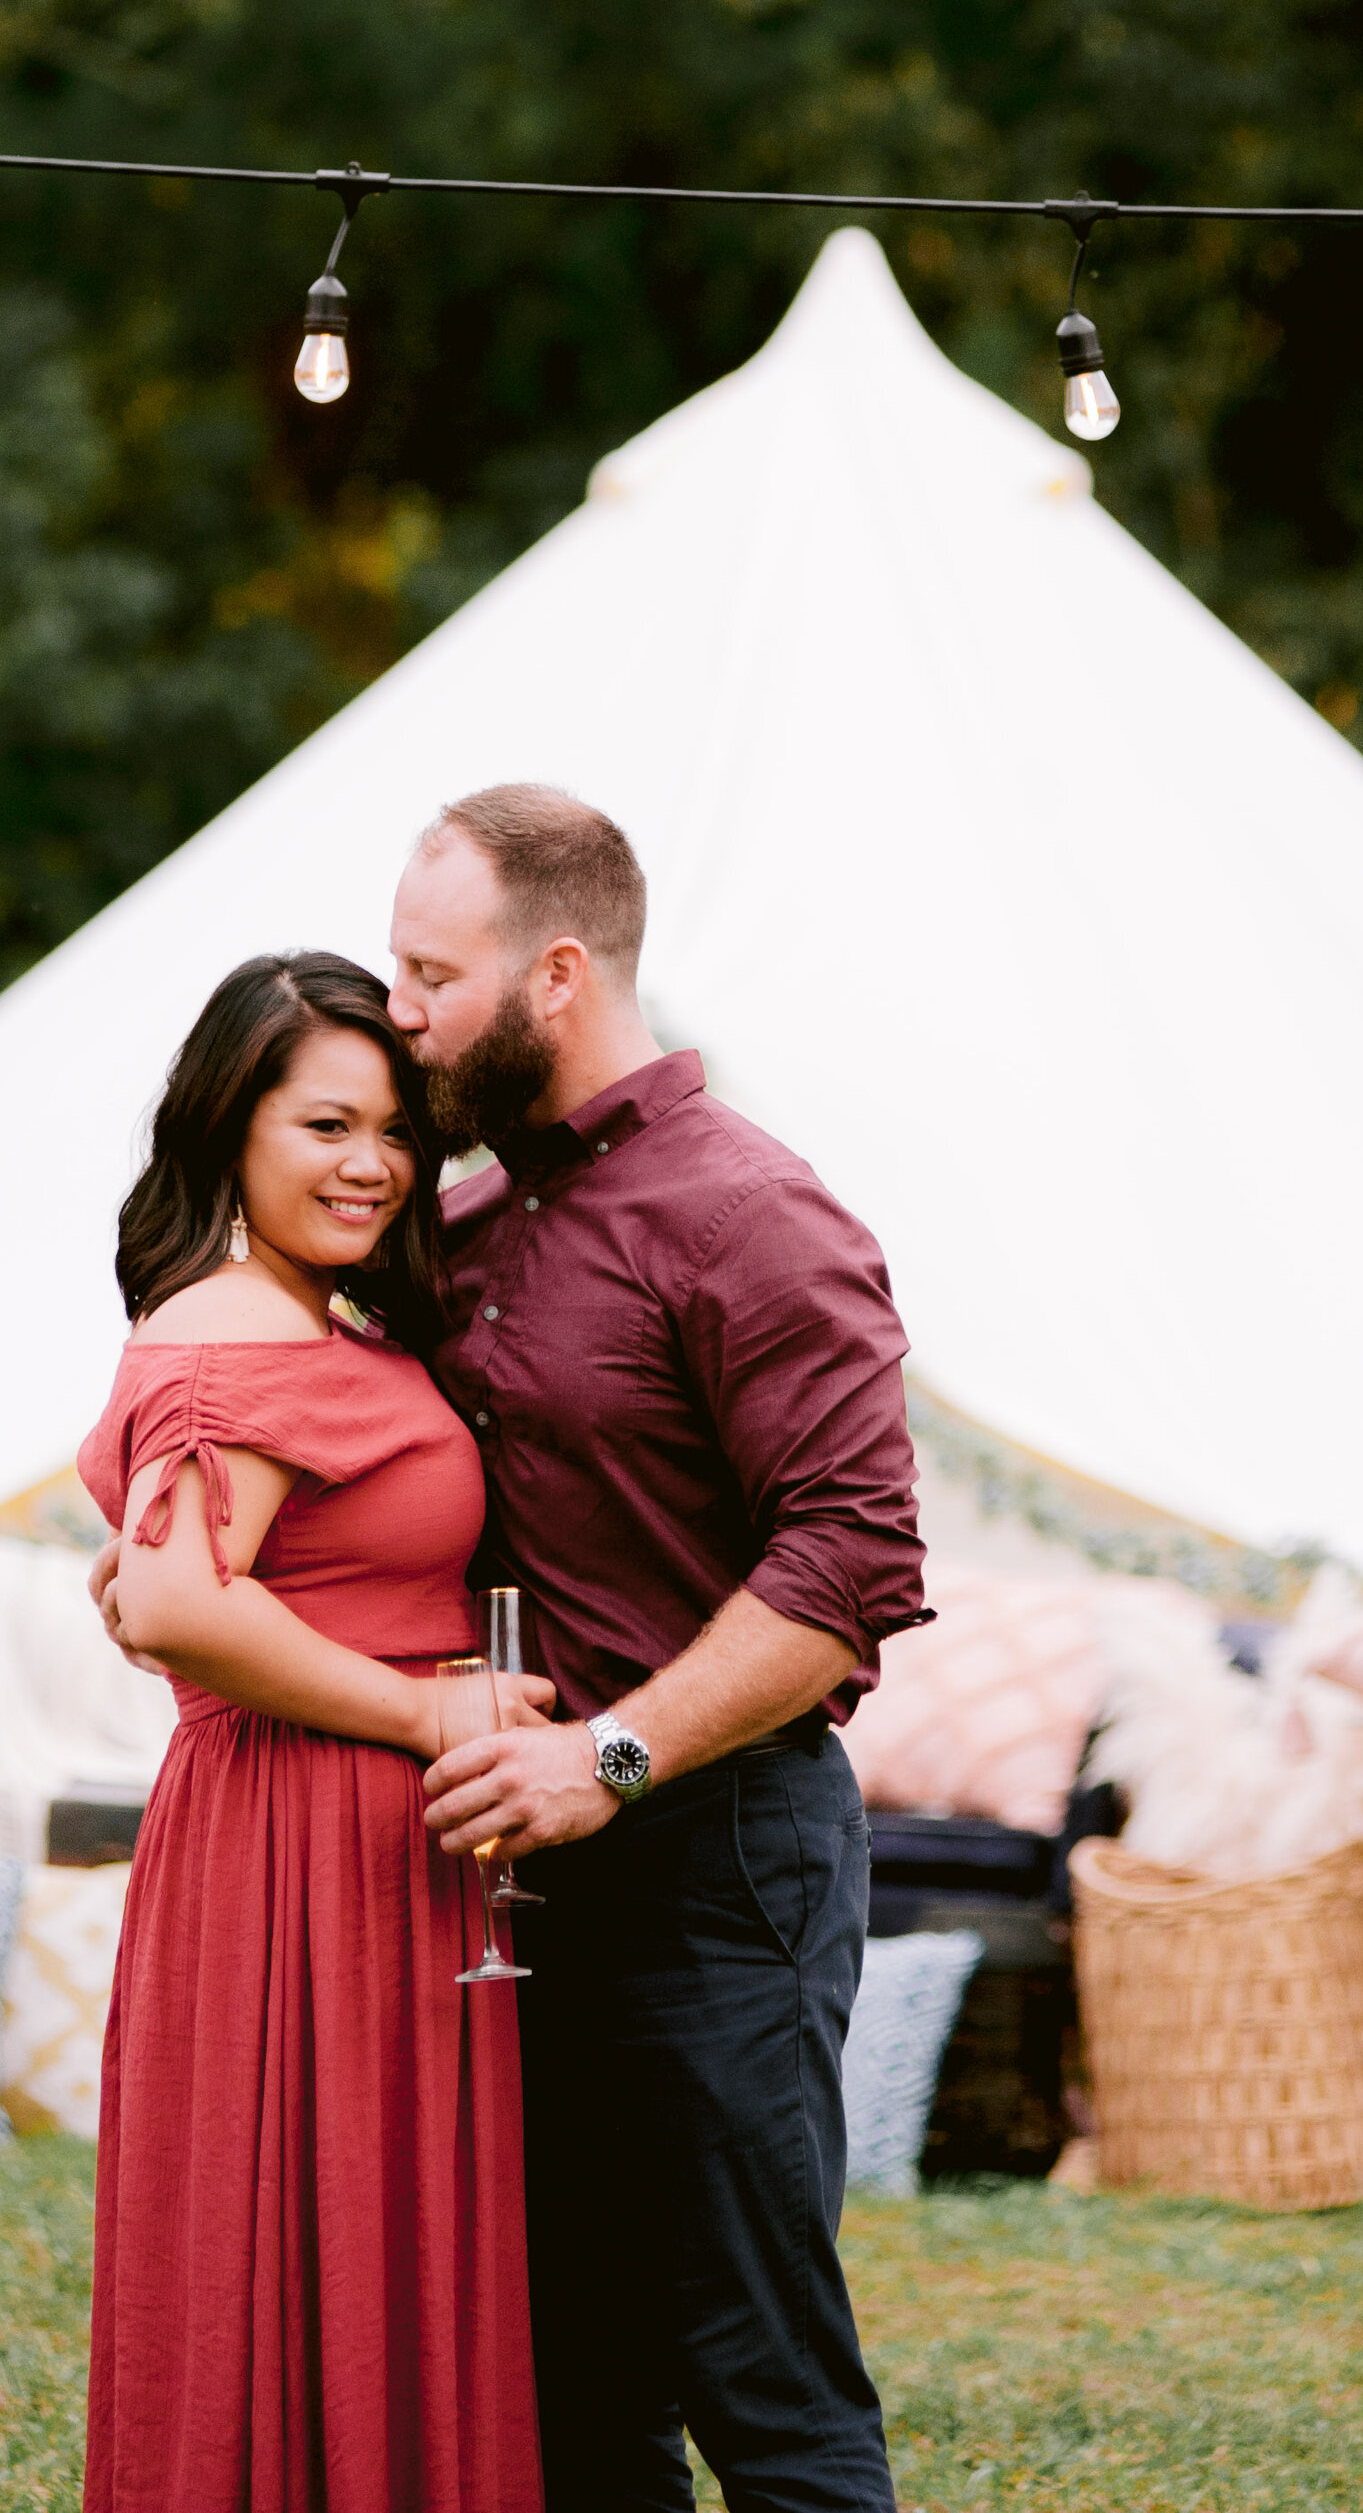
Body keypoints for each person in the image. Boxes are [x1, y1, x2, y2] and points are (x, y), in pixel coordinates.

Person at [394, 784, 930, 2513]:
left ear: (557, 973)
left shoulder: (754, 1212)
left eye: (429, 977)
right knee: (565, 2400)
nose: (398, 1014)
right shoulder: (460, 1231)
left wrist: (606, 1754)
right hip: (514, 1899)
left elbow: (852, 1561)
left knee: (760, 2384)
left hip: (720, 1867)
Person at [74, 950, 545, 2513]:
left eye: (398, 1129)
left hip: (350, 1850)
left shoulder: (296, 1316)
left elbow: (171, 1580)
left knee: (363, 2259)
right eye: (326, 1124)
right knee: (304, 2250)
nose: (374, 1164)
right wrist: (429, 1706)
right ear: (231, 1127)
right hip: (300, 1858)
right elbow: (188, 1604)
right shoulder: (235, 1328)